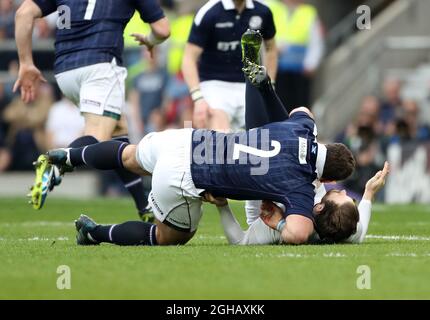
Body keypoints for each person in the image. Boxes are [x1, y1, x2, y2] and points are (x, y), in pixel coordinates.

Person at [14, 0, 170, 222]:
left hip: (65, 72)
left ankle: (143, 206)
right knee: (99, 135)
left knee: (118, 132)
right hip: (100, 66)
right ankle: (54, 165)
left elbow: (23, 13)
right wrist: (150, 40)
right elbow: (163, 29)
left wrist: (26, 63)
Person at [210, 162, 389, 245]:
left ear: (320, 207)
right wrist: (369, 192)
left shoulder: (274, 227)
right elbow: (362, 229)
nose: (343, 191)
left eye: (341, 196)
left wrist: (222, 205)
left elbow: (240, 241)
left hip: (263, 199)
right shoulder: (344, 229)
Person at [182, 0, 278, 132]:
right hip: (214, 85)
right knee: (220, 133)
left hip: (249, 85)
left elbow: (271, 49)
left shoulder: (263, 12)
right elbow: (189, 58)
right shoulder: (209, 12)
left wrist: (269, 87)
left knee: (259, 136)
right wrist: (198, 98)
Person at [266, 0, 324, 110]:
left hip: (300, 72)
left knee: (299, 107)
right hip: (276, 68)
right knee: (278, 106)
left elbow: (316, 41)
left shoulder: (309, 12)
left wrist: (311, 64)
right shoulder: (272, 7)